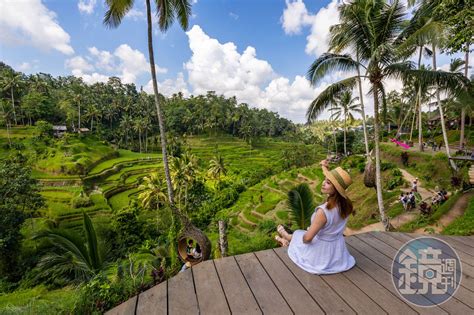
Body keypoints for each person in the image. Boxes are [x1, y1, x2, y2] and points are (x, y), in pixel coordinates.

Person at [275, 160, 356, 274]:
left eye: (328, 183)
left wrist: (303, 237)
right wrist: (323, 166)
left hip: (321, 253)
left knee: (299, 235)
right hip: (337, 251)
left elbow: (307, 239)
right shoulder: (347, 205)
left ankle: (286, 239)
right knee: (299, 234)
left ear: (336, 189)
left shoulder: (323, 212)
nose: (323, 183)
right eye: (325, 180)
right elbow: (329, 177)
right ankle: (286, 238)